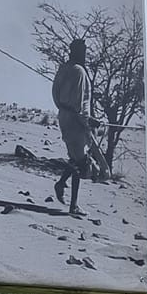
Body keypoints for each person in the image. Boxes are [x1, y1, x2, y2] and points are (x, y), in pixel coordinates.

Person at [50, 37, 104, 217]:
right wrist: (89, 121)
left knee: (74, 159)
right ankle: (73, 206)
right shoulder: (79, 71)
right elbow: (79, 104)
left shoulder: (63, 68)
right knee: (81, 164)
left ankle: (62, 186)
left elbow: (55, 95)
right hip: (76, 120)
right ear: (77, 52)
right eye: (83, 51)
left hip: (64, 116)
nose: (85, 54)